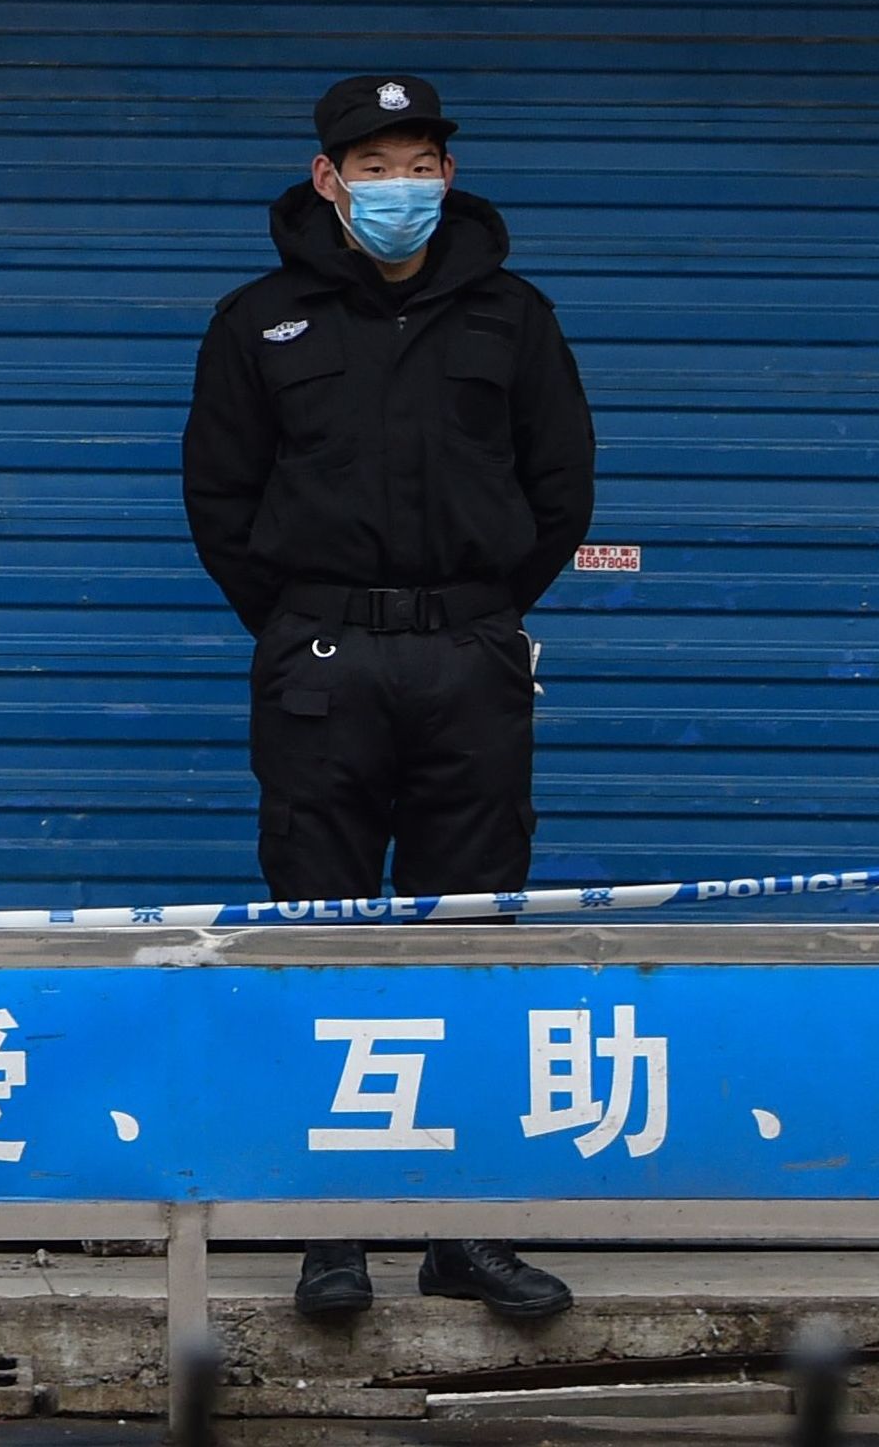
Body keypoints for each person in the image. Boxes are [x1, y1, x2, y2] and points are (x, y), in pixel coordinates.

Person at [180, 72, 598, 1327]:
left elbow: (560, 487)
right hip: (320, 664)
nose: (399, 186)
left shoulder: (513, 318)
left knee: (472, 947)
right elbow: (219, 501)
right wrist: (310, 623)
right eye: (374, 166)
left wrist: (477, 618)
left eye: (419, 162)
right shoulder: (258, 322)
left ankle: (464, 1230)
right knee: (323, 940)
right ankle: (332, 1234)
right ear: (327, 179)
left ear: (448, 177)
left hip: (469, 656)